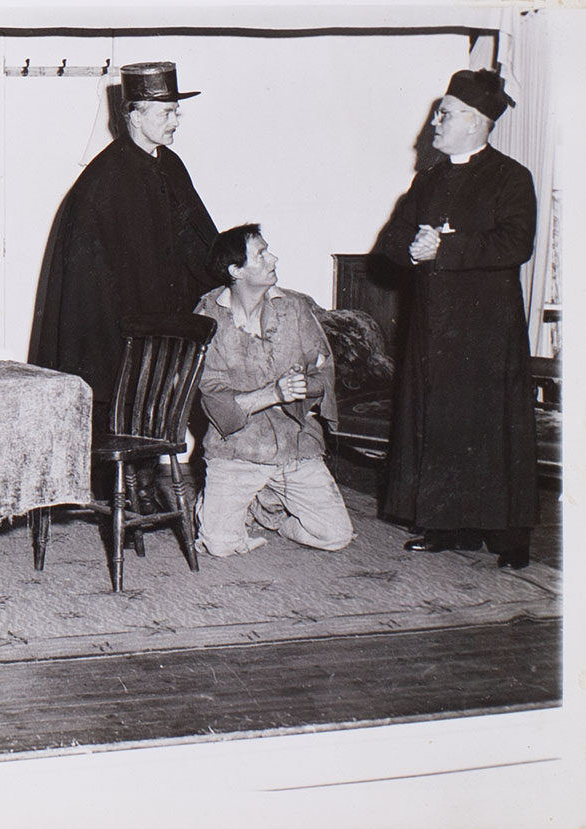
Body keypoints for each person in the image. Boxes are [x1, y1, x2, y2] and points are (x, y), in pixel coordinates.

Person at [30, 61, 218, 509]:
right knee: (124, 398)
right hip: (118, 327)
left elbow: (197, 239)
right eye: (166, 112)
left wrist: (226, 275)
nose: (175, 121)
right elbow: (86, 275)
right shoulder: (102, 180)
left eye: (176, 111)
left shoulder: (170, 165)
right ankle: (127, 485)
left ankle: (145, 482)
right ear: (134, 114)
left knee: (164, 402)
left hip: (168, 319)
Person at [379, 69, 537, 570]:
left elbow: (517, 243)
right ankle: (448, 526)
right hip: (433, 330)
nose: (434, 123)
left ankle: (510, 537)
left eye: (444, 114)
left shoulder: (512, 177)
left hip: (488, 331)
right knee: (442, 424)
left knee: (494, 428)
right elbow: (388, 244)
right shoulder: (428, 180)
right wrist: (412, 246)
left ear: (474, 122)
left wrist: (444, 247)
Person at [193, 224, 353, 558]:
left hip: (295, 448)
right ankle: (227, 502)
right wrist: (275, 394)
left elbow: (322, 374)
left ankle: (267, 509)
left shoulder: (294, 309)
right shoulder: (208, 317)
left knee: (335, 535)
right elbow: (212, 397)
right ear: (235, 270)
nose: (274, 258)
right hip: (236, 450)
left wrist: (303, 387)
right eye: (262, 254)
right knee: (220, 546)